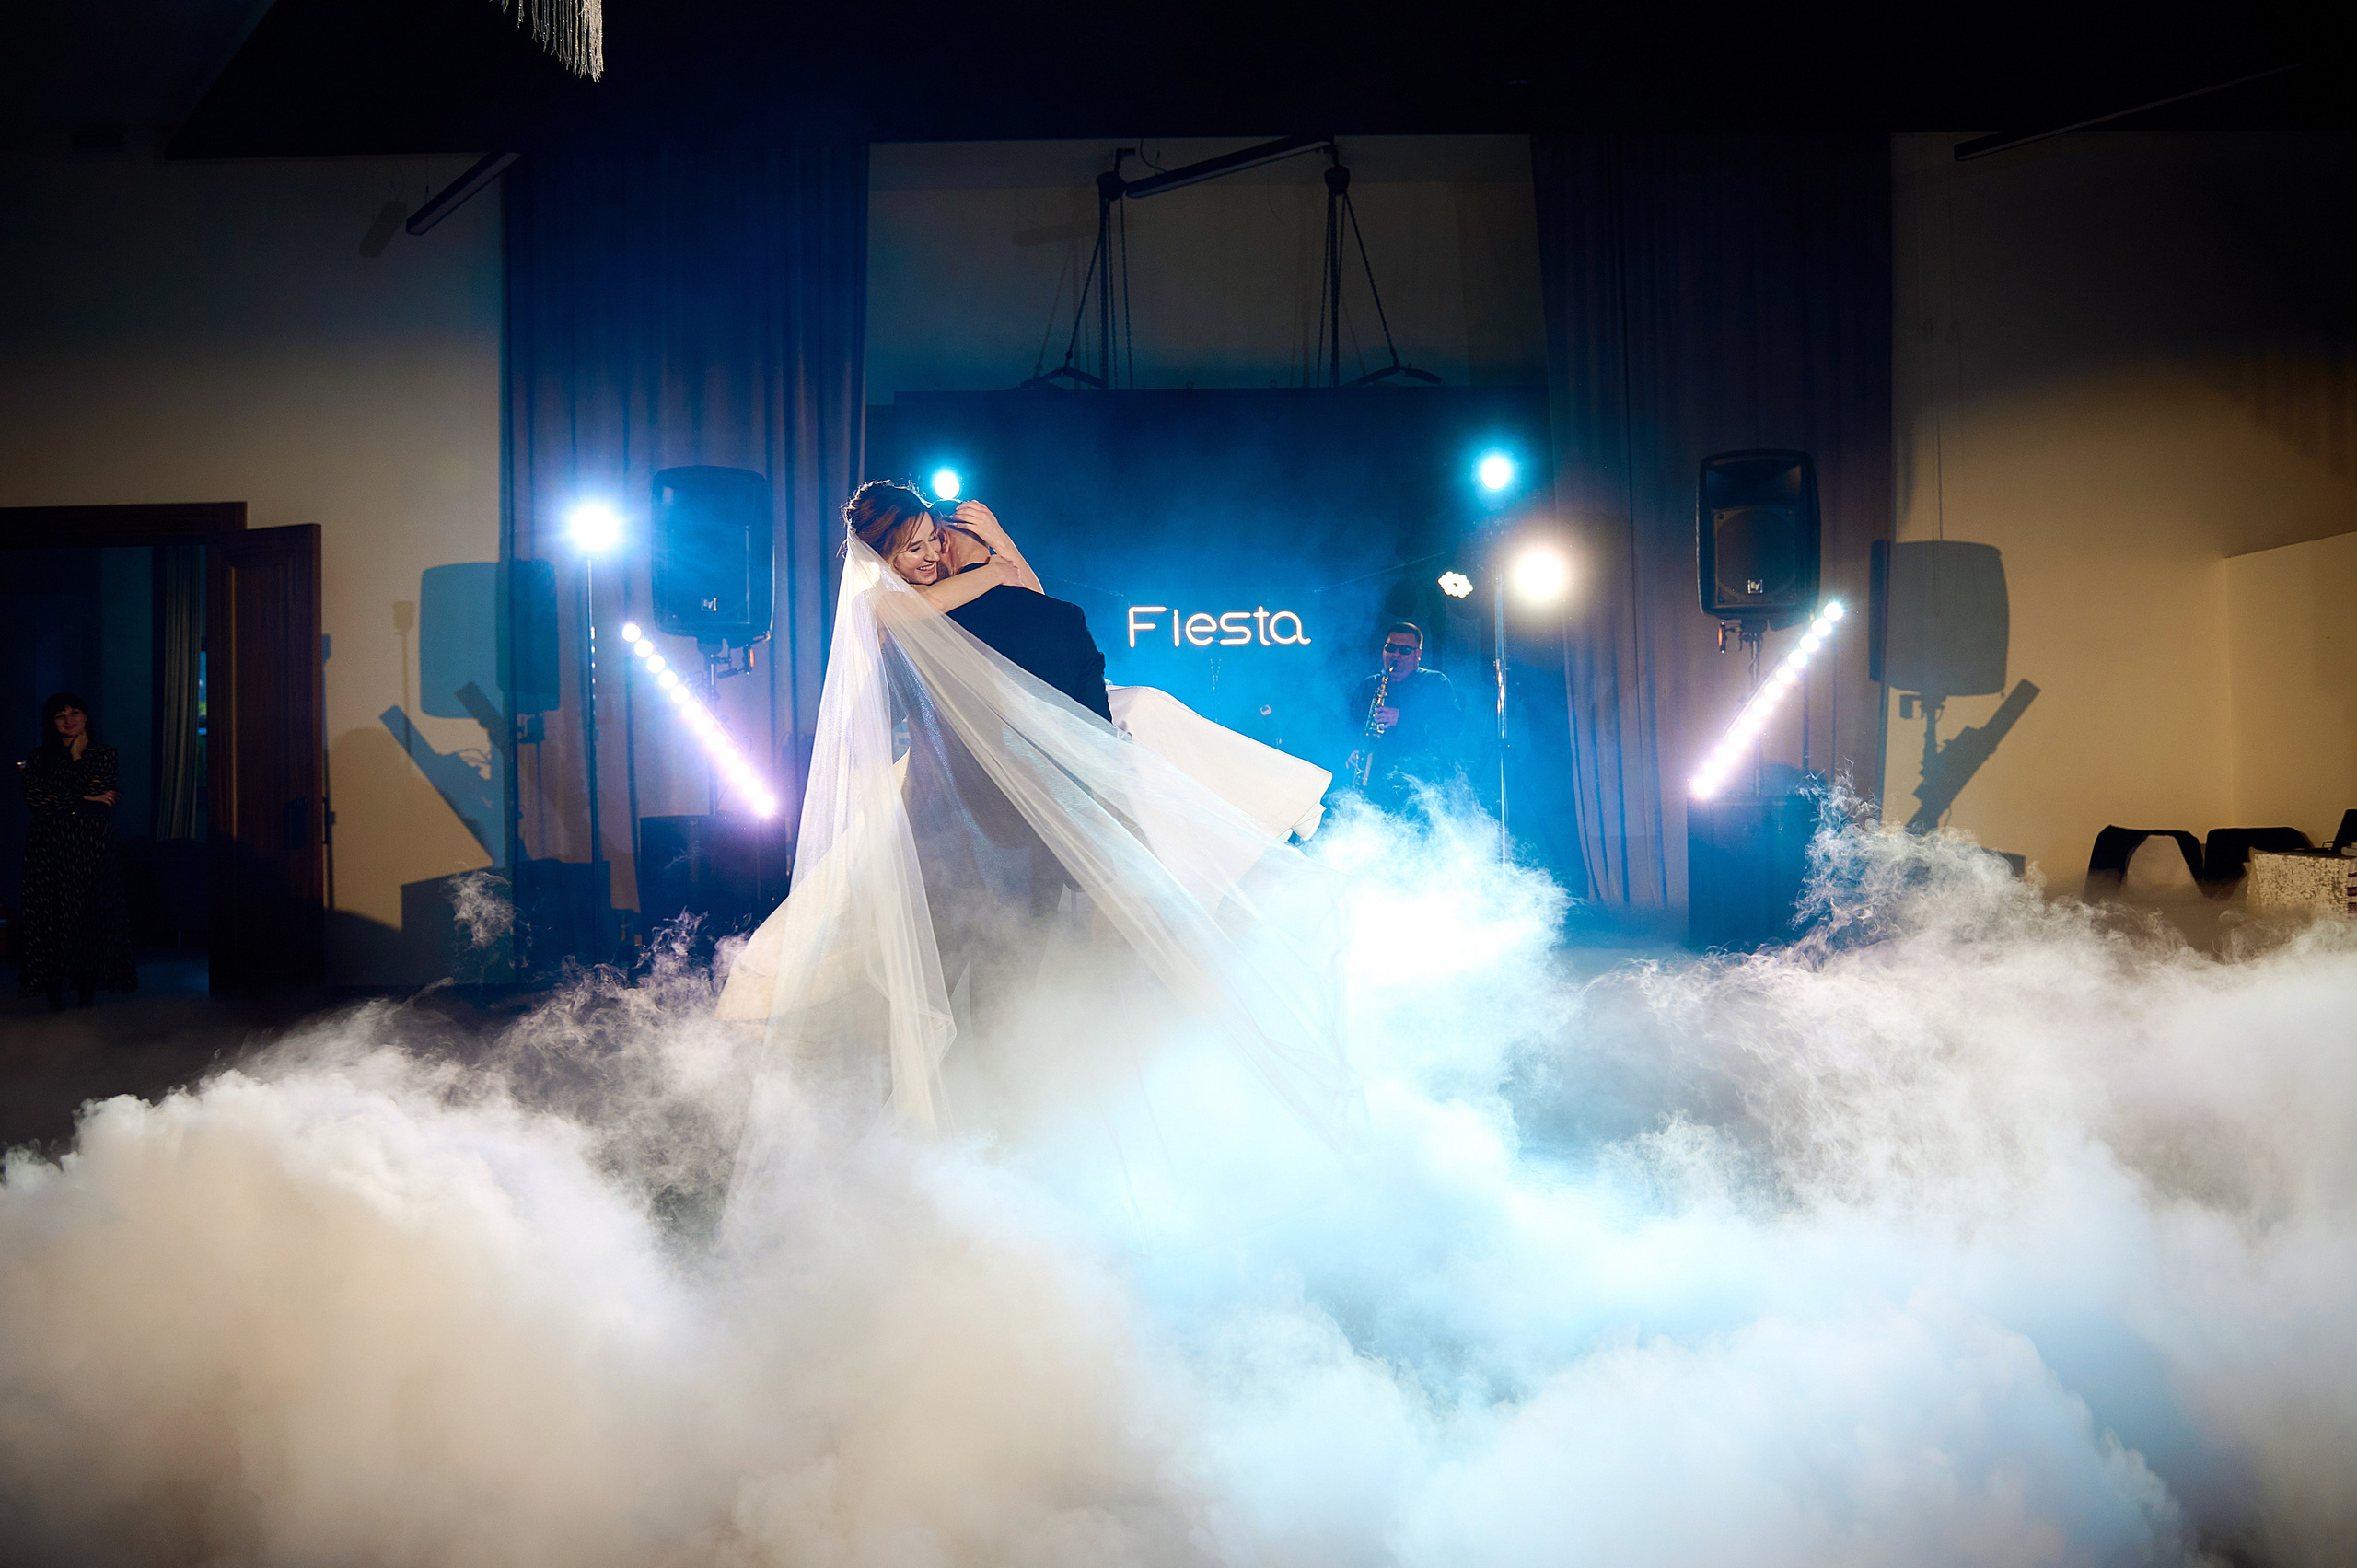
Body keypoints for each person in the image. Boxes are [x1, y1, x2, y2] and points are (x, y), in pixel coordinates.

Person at [715, 481, 1351, 1144]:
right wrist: (995, 561)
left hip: (984, 815)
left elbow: (1033, 610)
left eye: (933, 540)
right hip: (949, 820)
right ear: (880, 558)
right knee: (938, 986)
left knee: (996, 984)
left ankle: (988, 1128)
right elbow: (996, 604)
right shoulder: (886, 606)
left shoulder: (941, 607)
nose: (930, 556)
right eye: (912, 549)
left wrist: (1001, 546)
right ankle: (933, 1132)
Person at [17, 692, 137, 1008]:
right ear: (52, 722)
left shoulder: (104, 754)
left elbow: (100, 790)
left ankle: (86, 991)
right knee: (50, 915)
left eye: (75, 713)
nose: (68, 720)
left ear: (85, 716)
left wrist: (77, 762)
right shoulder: (39, 758)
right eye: (60, 715)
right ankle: (53, 993)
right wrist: (84, 796)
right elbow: (38, 801)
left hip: (89, 842)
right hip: (49, 843)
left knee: (88, 913)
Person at [1344, 621, 1463, 807]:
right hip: (1375, 780)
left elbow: (1453, 725)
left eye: (1405, 650)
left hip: (1421, 781)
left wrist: (1402, 718)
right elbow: (1351, 727)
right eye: (1390, 648)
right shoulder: (1369, 685)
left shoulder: (1435, 682)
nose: (1396, 655)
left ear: (1418, 654)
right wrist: (1353, 750)